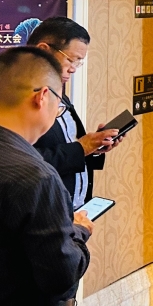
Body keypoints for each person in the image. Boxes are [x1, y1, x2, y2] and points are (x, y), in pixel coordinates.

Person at [0, 47, 93, 306]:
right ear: (42, 97)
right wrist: (78, 231)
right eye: (59, 104)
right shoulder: (36, 177)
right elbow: (59, 276)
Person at [27, 18, 121, 208]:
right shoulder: (14, 98)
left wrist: (94, 147)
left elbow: (68, 144)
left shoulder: (57, 92)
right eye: (70, 60)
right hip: (42, 215)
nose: (73, 69)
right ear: (43, 50)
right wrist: (81, 148)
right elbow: (20, 160)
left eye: (78, 62)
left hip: (74, 212)